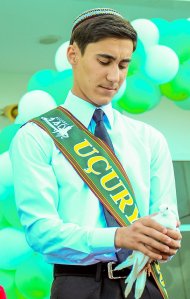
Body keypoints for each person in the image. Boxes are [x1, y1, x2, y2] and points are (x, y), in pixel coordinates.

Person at [10, 8, 181, 299]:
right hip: (78, 285)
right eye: (104, 61)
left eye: (124, 65)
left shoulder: (149, 139)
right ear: (73, 55)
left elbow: (166, 218)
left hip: (144, 283)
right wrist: (116, 237)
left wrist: (165, 240)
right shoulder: (37, 135)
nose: (114, 77)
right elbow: (40, 232)